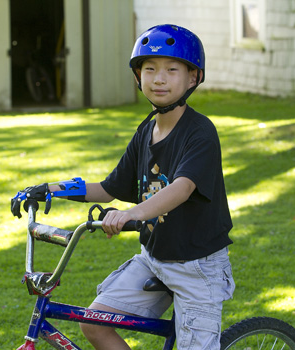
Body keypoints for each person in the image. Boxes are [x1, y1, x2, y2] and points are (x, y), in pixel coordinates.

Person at [17, 24, 235, 350]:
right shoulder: (146, 132)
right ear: (138, 76)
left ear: (193, 78)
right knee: (95, 323)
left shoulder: (200, 133)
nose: (159, 79)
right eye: (150, 69)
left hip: (196, 267)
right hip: (154, 258)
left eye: (171, 70)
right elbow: (107, 188)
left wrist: (131, 213)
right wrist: (51, 189)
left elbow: (181, 188)